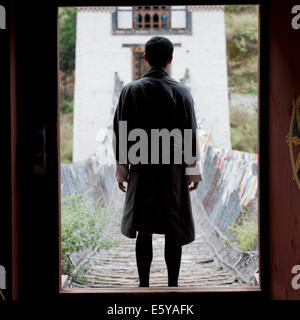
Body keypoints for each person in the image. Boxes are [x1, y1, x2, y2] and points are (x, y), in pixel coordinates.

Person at [113, 36, 202, 287]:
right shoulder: (182, 92)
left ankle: (144, 284)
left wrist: (122, 170)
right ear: (170, 60)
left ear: (146, 58)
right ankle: (173, 284)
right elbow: (190, 133)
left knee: (144, 227)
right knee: (174, 225)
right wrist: (192, 171)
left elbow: (121, 132)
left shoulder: (130, 90)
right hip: (173, 170)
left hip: (142, 167)